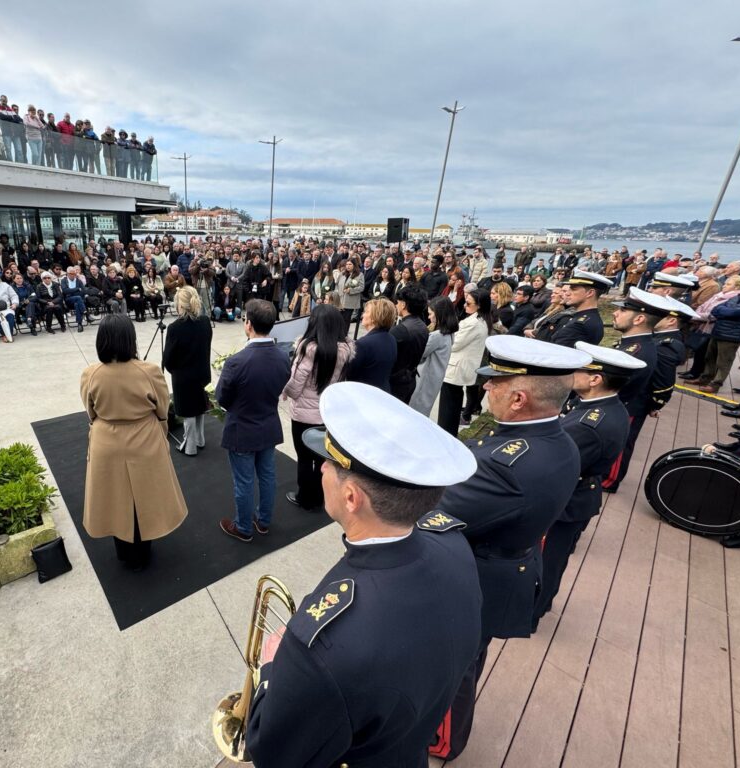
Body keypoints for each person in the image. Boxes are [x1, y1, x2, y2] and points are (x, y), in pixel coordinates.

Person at [245, 381, 482, 768]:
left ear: (352, 497)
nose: (321, 466)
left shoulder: (319, 648)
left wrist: (271, 667)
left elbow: (270, 752)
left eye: (329, 463)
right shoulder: (453, 545)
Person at [430, 335, 589, 760]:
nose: (485, 388)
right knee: (467, 658)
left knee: (451, 667)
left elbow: (433, 513)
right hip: (506, 564)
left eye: (494, 383)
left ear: (519, 398)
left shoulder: (510, 463)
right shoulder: (555, 439)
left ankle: (442, 739)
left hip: (477, 578)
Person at [532, 342, 644, 627]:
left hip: (566, 502)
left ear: (595, 379)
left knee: (546, 561)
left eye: (578, 369)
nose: (572, 373)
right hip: (578, 494)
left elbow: (553, 465)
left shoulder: (588, 425)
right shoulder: (601, 409)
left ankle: (529, 613)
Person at [80, 314, 187, 570]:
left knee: (114, 497)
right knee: (145, 497)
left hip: (106, 440)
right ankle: (142, 551)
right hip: (144, 438)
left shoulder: (90, 374)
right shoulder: (148, 371)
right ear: (131, 339)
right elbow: (163, 408)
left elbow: (90, 411)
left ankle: (123, 552)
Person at [217, 299, 291, 542]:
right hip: (268, 423)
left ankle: (244, 527)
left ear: (248, 324)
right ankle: (263, 520)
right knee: (268, 476)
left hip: (242, 429)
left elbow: (222, 398)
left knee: (244, 481)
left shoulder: (237, 361)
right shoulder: (283, 357)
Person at [282, 304, 353, 511]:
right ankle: (321, 495)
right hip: (328, 414)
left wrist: (285, 392)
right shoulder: (344, 350)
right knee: (323, 457)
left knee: (304, 458)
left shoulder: (308, 349)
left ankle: (305, 497)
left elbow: (295, 385)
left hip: (304, 414)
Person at [601, 288, 668, 493]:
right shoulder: (635, 344)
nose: (615, 313)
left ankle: (609, 480)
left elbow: (622, 386)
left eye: (622, 311)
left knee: (620, 445)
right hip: (624, 403)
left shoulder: (637, 351)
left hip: (627, 406)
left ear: (639, 318)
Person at [162, 287, 213, 457]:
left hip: (183, 376)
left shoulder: (175, 328)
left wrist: (175, 370)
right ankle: (200, 439)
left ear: (180, 306)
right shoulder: (205, 321)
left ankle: (190, 446)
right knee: (199, 406)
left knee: (188, 410)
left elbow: (168, 359)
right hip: (202, 372)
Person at [438, 289, 493, 435]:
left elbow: (455, 344)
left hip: (457, 368)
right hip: (461, 368)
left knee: (448, 408)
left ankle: (445, 434)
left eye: (468, 303)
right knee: (452, 403)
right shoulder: (481, 320)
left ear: (479, 305)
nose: (464, 306)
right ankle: (448, 432)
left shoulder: (473, 323)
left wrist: (447, 335)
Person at [410, 296, 458, 416]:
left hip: (425, 379)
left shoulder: (437, 336)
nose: (428, 317)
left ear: (440, 315)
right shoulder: (448, 333)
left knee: (415, 411)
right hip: (434, 378)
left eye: (431, 314)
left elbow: (419, 353)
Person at [345, 297, 397, 391]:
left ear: (374, 317)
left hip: (364, 393)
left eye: (366, 312)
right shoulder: (391, 338)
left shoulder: (363, 344)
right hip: (383, 390)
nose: (363, 315)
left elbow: (349, 373)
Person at [389, 284, 430, 405]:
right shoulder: (423, 326)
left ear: (404, 304)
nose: (396, 305)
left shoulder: (401, 330)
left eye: (398, 302)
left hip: (396, 382)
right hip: (410, 379)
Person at [550, 270, 611, 347]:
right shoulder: (584, 317)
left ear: (590, 293)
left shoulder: (581, 324)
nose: (567, 293)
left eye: (573, 289)